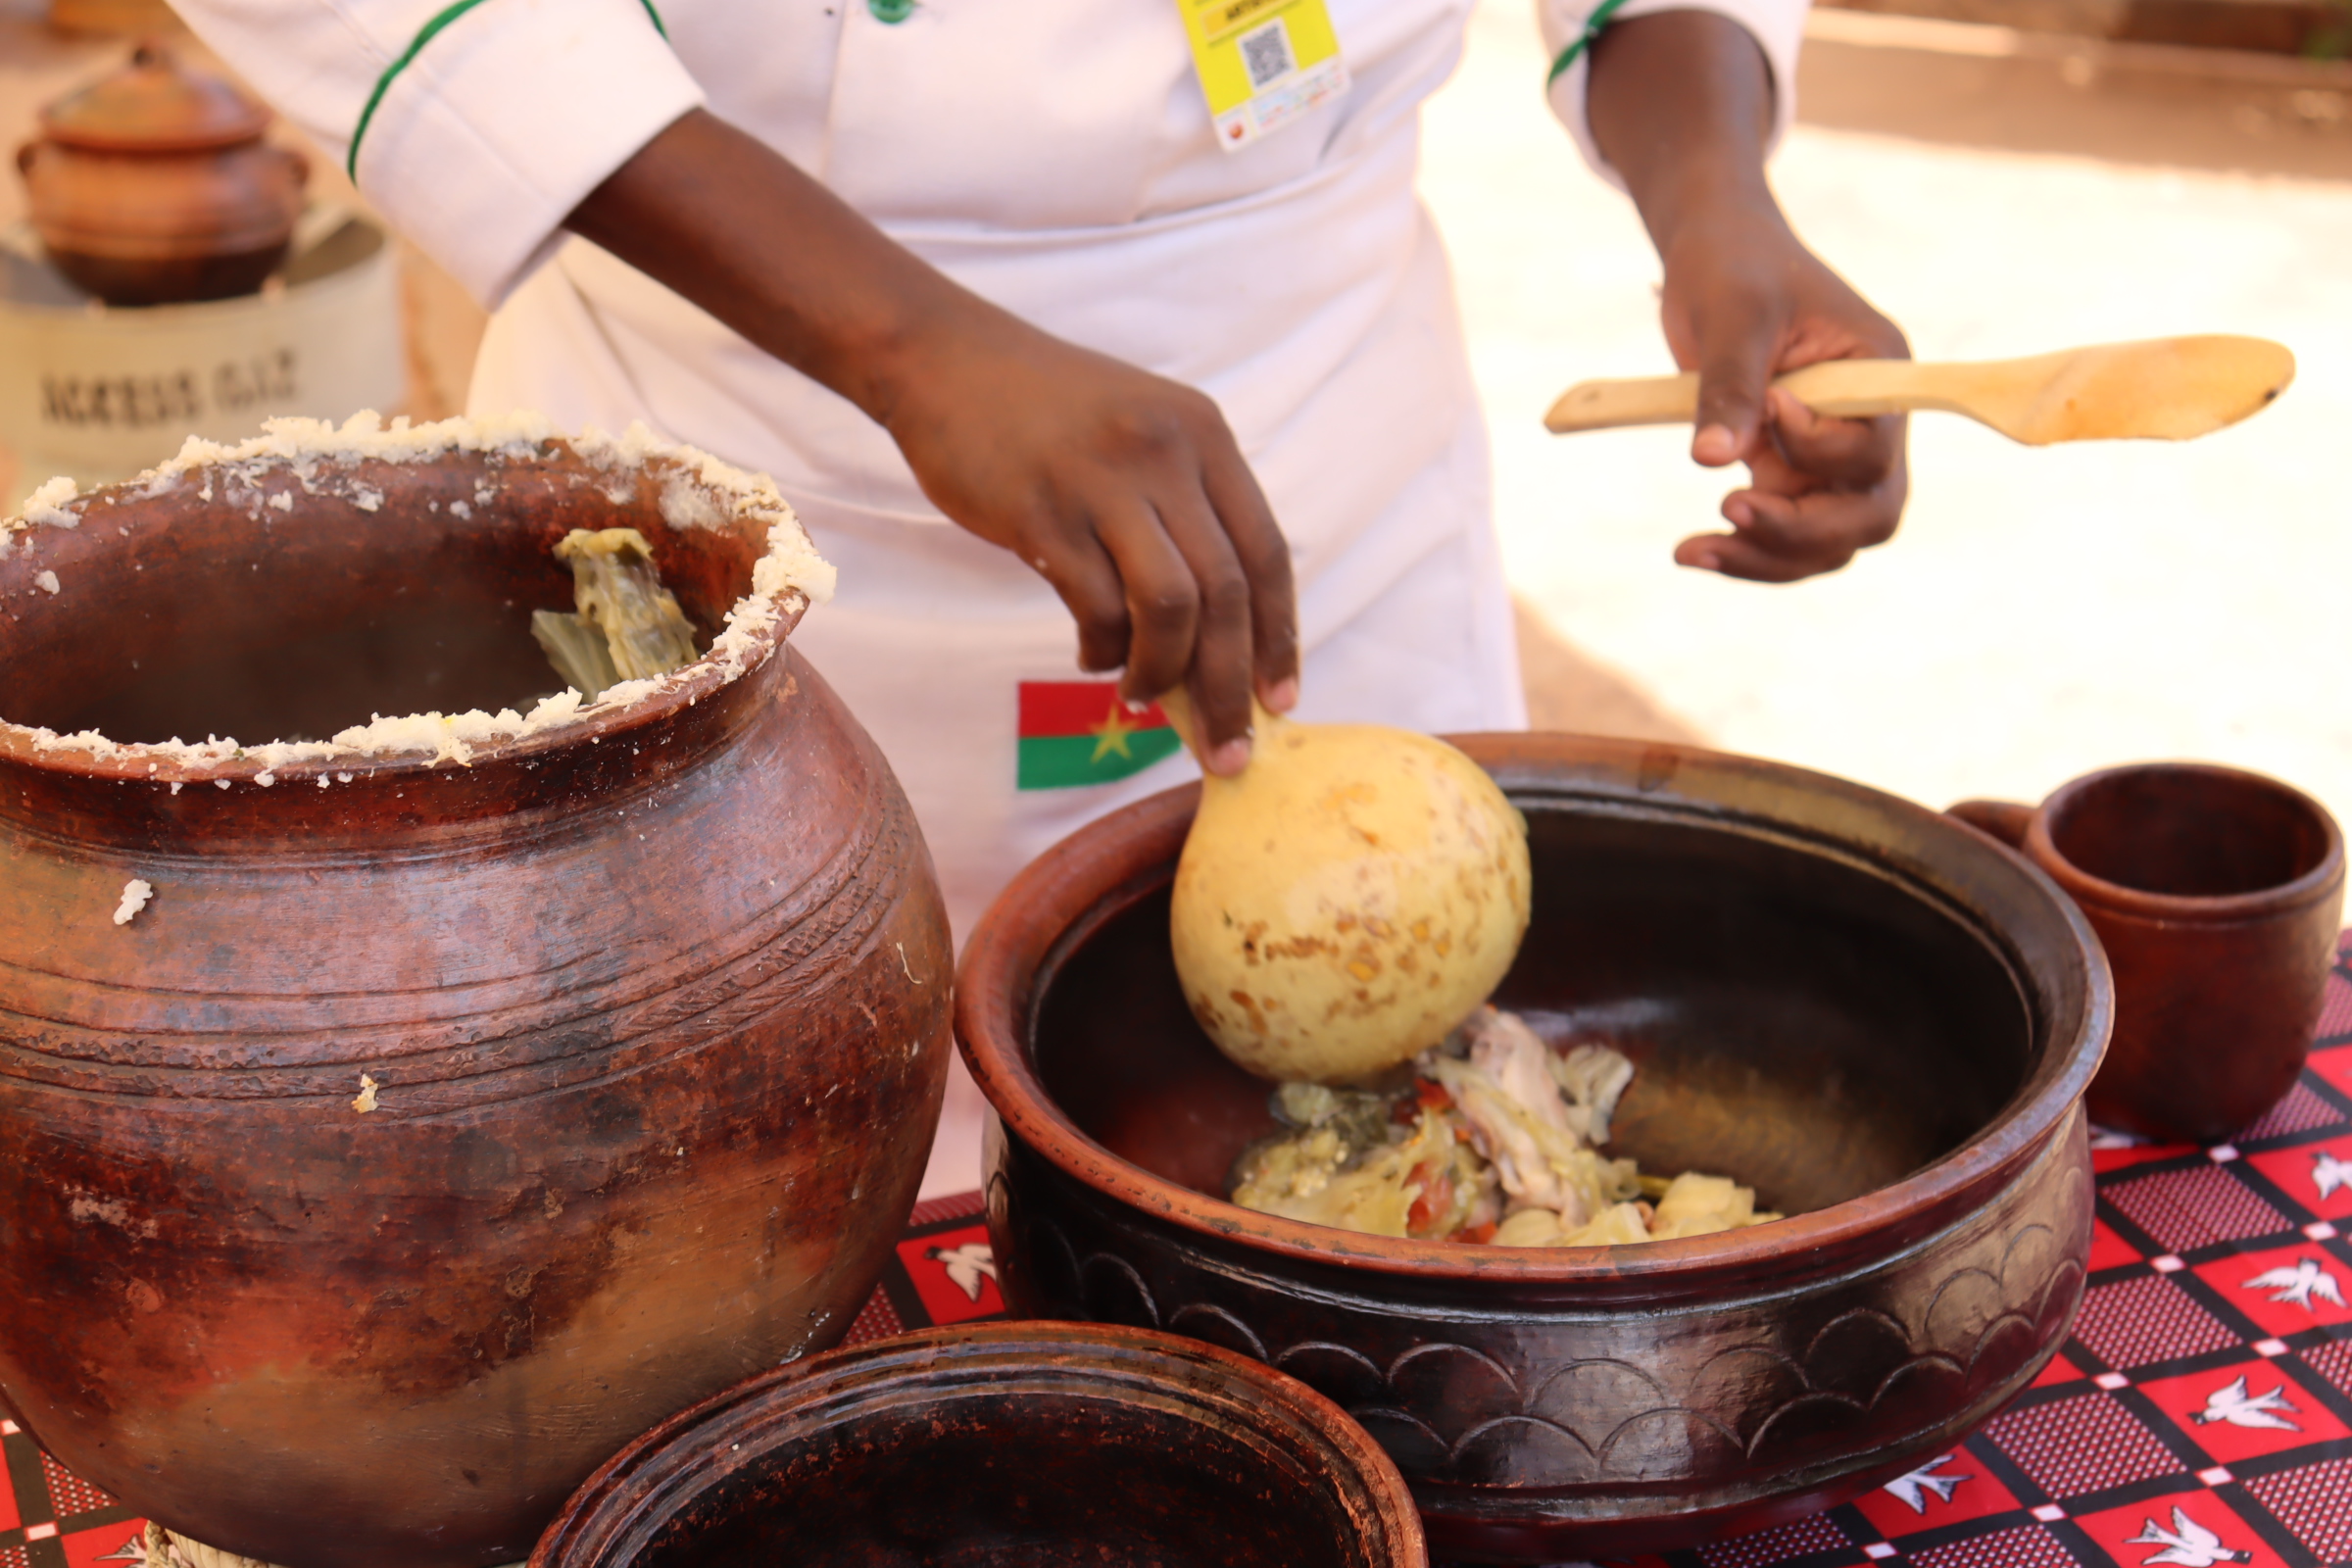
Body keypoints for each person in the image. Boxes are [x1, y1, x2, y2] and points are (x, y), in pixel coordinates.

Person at [172, 0, 1910, 1194]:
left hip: (1322, 425)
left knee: (1418, 1165)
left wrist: (1716, 198)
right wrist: (909, 348)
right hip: (747, 452)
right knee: (750, 1188)